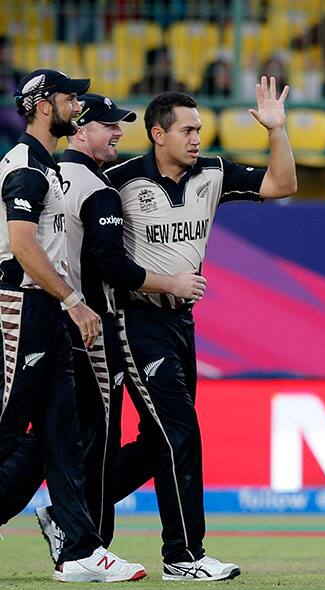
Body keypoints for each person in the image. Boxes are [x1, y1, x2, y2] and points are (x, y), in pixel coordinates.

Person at [104, 77, 296, 580]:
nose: (196, 139)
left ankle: (71, 510)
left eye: (199, 129)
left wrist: (277, 130)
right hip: (136, 318)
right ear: (156, 134)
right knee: (181, 431)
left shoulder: (212, 172)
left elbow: (282, 185)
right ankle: (183, 557)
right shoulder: (120, 181)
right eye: (187, 130)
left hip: (182, 322)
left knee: (157, 440)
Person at [32, 93, 206, 562]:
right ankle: (88, 544)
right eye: (108, 125)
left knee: (55, 439)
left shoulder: (50, 175)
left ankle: (69, 521)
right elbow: (109, 262)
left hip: (51, 316)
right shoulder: (101, 186)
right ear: (81, 128)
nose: (117, 133)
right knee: (98, 437)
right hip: (93, 324)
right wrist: (169, 281)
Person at [0, 69, 145, 582]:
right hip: (24, 304)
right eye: (68, 98)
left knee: (66, 430)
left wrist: (66, 302)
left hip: (50, 307)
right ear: (42, 105)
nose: (75, 106)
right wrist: (75, 301)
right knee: (10, 427)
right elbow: (22, 244)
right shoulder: (26, 168)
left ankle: (80, 550)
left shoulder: (47, 166)